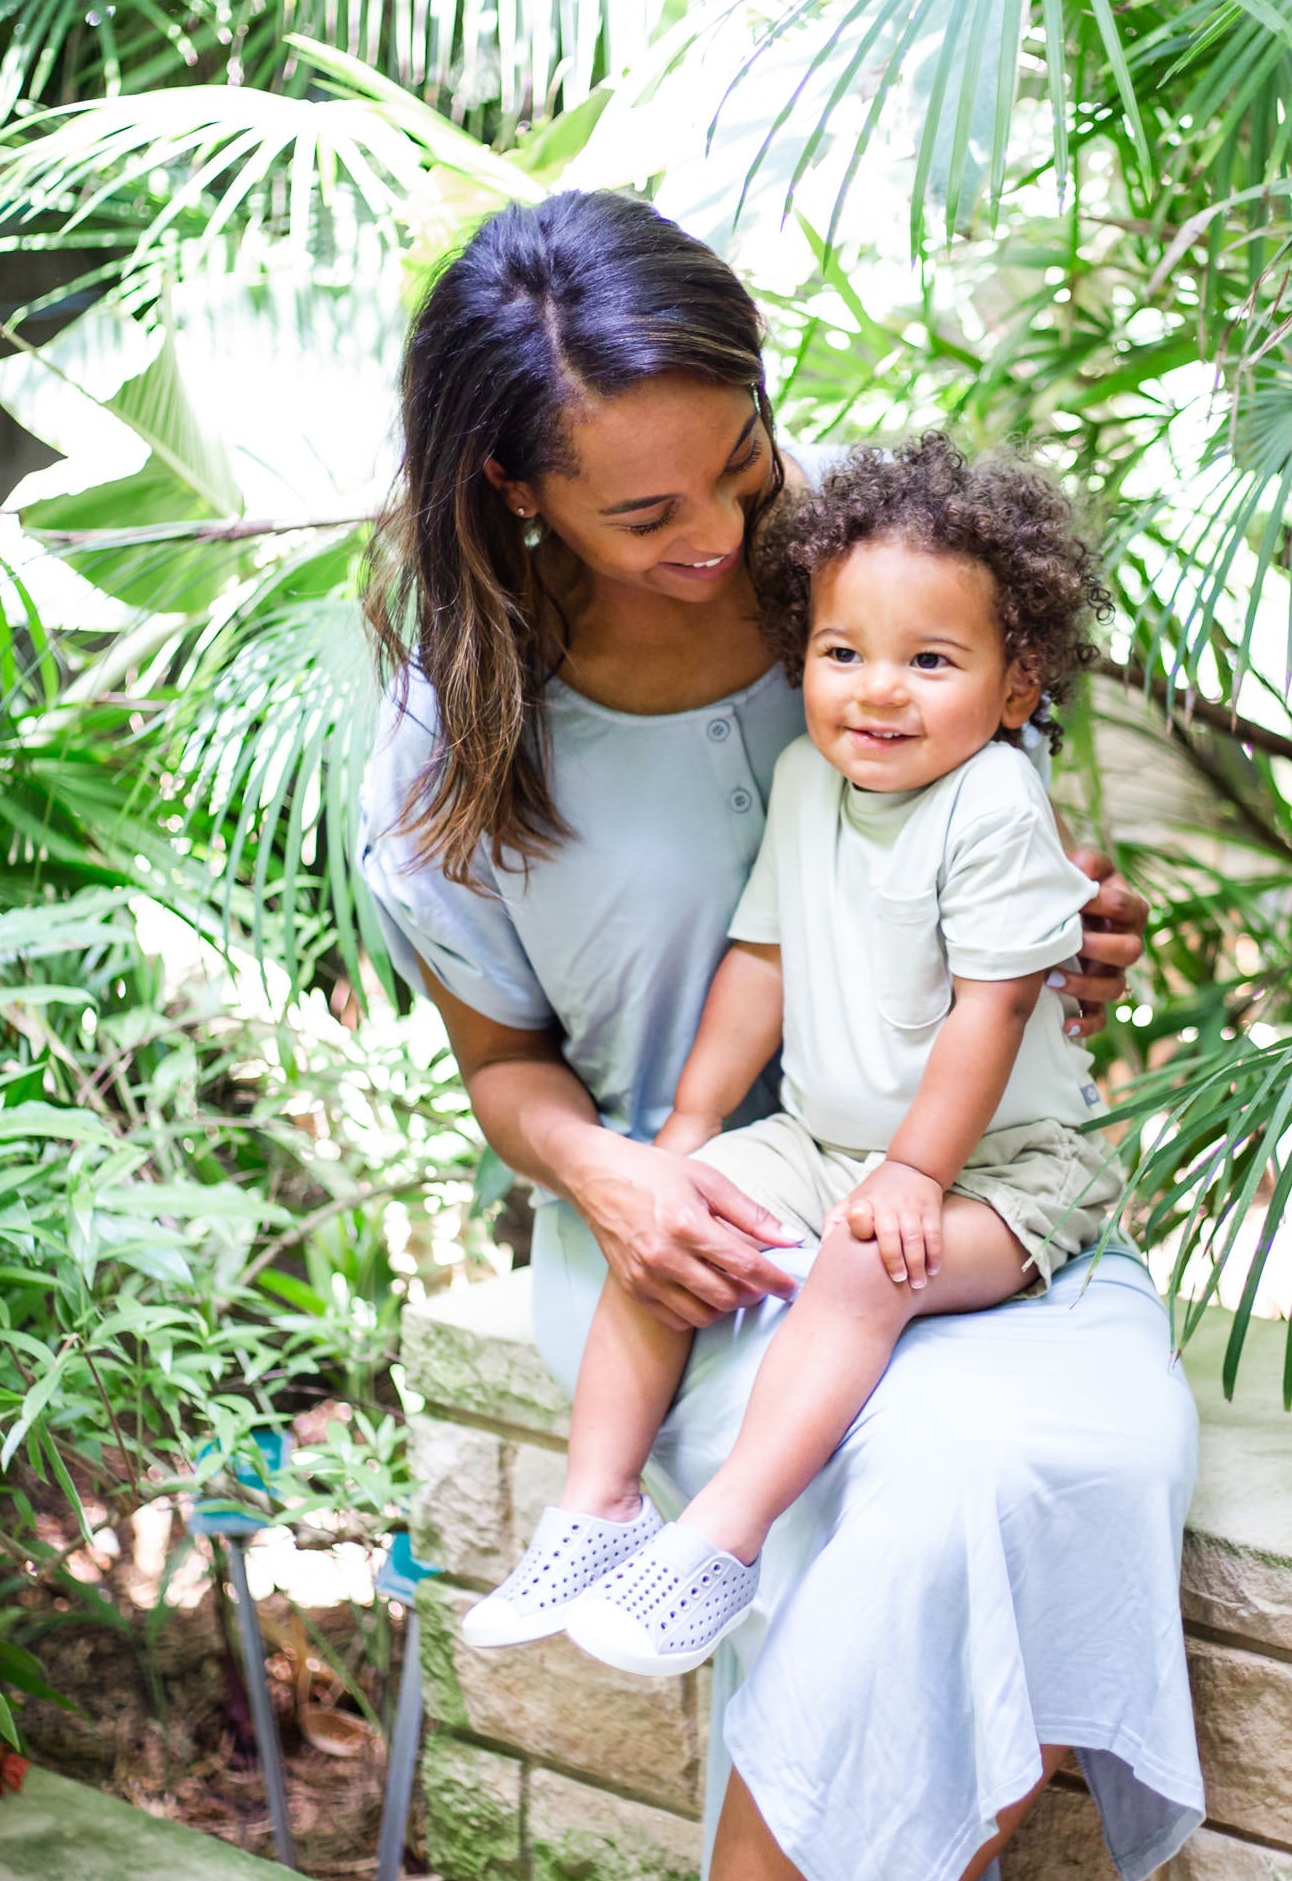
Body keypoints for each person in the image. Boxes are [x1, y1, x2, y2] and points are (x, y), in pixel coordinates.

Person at [358, 189, 1202, 1881]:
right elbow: (504, 1076)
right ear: (516, 488)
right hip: (688, 1240)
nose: (725, 532)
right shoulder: (453, 743)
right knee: (924, 1507)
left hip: (955, 1187)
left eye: (740, 462)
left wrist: (1074, 932)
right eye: (648, 512)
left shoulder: (873, 584)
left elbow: (991, 889)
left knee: (1071, 1475)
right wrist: (625, 1173)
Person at [460, 435, 1127, 1678]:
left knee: (869, 1262)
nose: (877, 692)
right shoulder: (805, 779)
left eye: (929, 660)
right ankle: (595, 1507)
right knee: (679, 1215)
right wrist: (687, 1128)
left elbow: (990, 1012)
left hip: (1003, 1171)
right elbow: (760, 960)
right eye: (841, 653)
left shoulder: (991, 801)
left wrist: (915, 1174)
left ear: (1016, 684)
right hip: (828, 1145)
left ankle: (721, 1540)